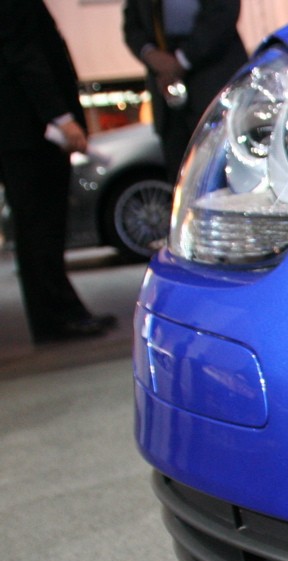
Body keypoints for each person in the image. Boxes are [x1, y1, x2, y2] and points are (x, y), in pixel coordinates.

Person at [0, 0, 116, 343]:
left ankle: (63, 312)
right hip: (29, 132)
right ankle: (56, 319)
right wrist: (61, 118)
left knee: (41, 229)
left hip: (23, 131)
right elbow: (26, 56)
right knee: (41, 229)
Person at [123, 0, 248, 182]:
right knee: (181, 176)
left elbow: (222, 14)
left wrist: (180, 61)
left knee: (223, 176)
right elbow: (132, 25)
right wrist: (151, 55)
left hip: (213, 83)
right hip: (167, 100)